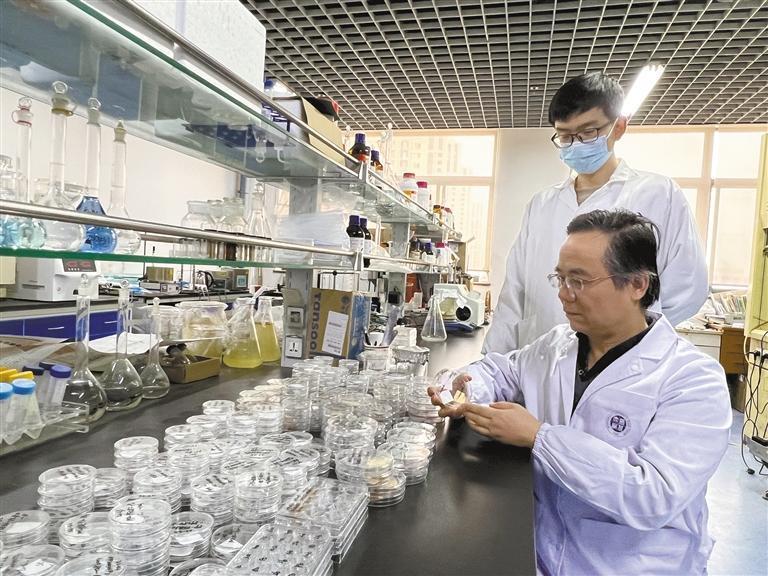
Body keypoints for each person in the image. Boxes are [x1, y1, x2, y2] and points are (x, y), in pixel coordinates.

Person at [431, 209, 731, 575]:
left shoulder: (693, 379)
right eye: (559, 278)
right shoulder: (557, 345)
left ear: (637, 284)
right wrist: (466, 387)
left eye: (579, 281)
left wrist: (540, 437)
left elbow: (652, 496)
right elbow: (501, 370)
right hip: (539, 551)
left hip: (631, 566)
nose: (563, 294)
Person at [483, 71, 708, 355]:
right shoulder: (541, 205)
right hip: (539, 360)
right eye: (565, 136)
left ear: (619, 127)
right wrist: (489, 364)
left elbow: (688, 287)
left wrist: (629, 341)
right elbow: (514, 294)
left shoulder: (658, 194)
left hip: (623, 362)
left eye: (588, 132)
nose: (576, 144)